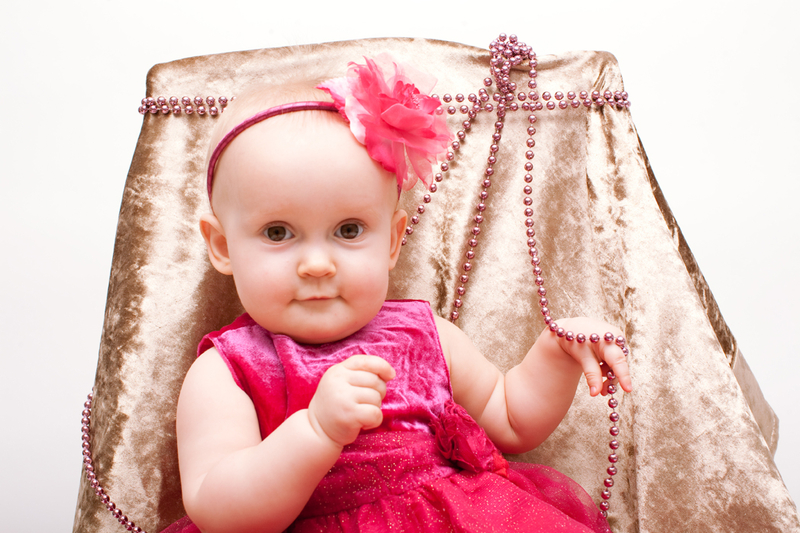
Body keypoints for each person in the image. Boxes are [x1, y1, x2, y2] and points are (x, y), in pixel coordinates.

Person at [169, 55, 632, 533]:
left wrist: (555, 352)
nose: (317, 264)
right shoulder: (229, 370)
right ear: (222, 246)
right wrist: (314, 431)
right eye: (277, 232)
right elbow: (217, 510)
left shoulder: (424, 335)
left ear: (391, 242)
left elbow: (513, 419)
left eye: (348, 230)